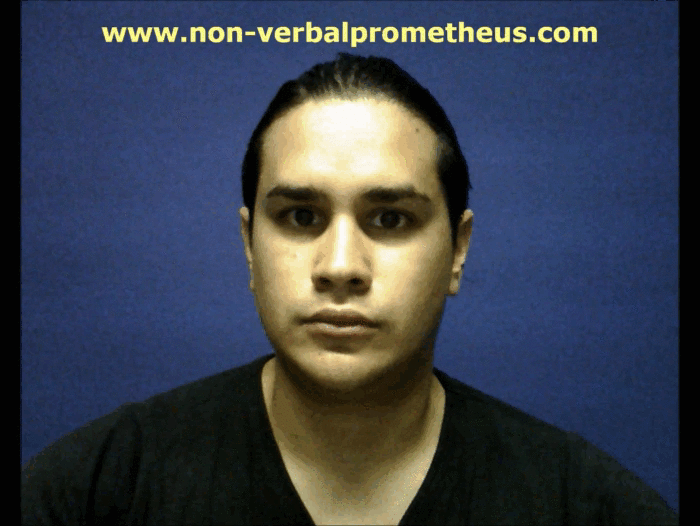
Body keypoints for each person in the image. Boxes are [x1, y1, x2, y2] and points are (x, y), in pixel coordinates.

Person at [21, 53, 678, 525]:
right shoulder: (92, 492)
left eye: (390, 219)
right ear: (249, 245)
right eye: (300, 216)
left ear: (458, 250)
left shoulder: (585, 505)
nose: (340, 266)